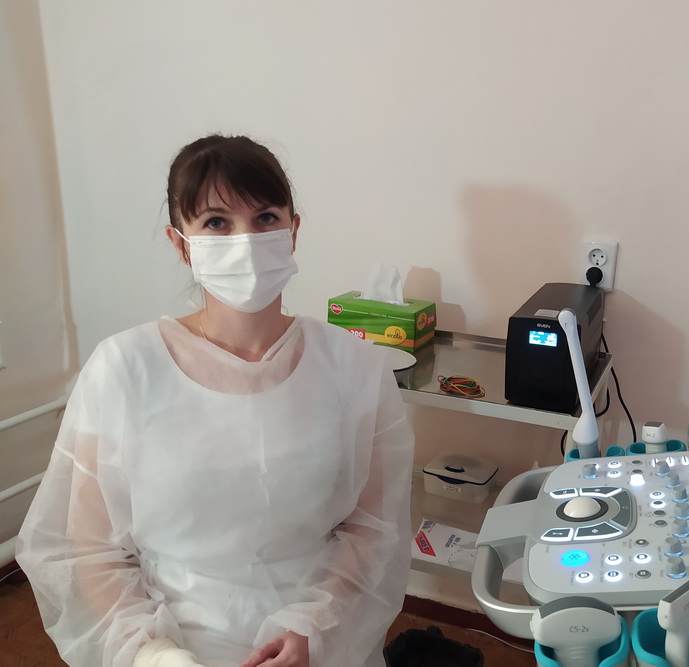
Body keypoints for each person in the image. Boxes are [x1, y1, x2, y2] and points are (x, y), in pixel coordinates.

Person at [16, 134, 415, 667]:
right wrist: (156, 654)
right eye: (216, 222)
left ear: (293, 231)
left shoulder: (355, 367)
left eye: (266, 218)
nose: (245, 240)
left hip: (319, 639)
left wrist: (312, 628)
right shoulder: (123, 369)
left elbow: (373, 528)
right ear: (181, 243)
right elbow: (85, 548)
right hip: (172, 638)